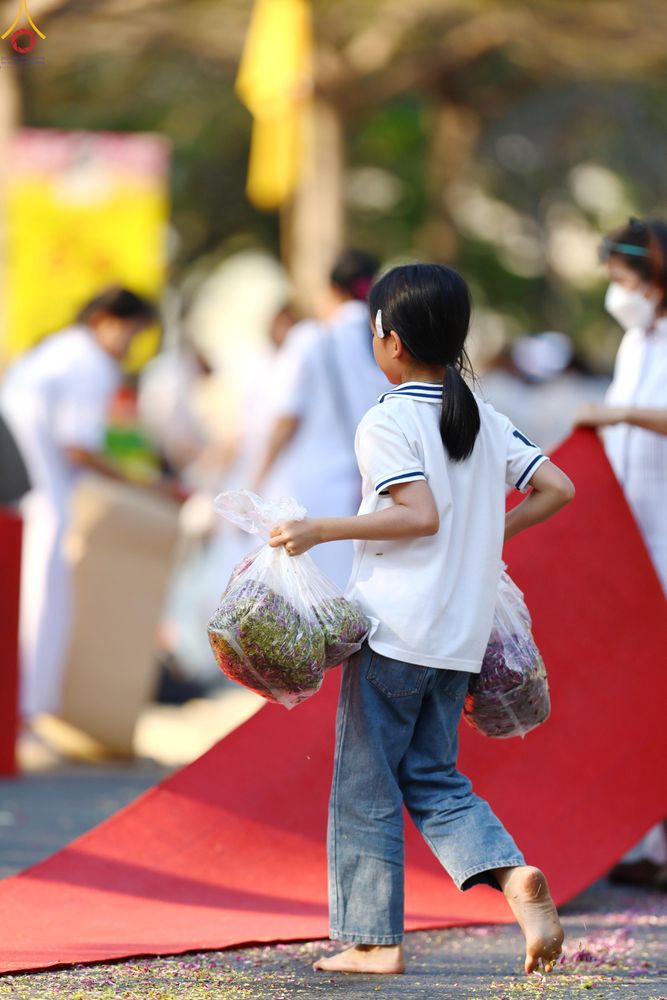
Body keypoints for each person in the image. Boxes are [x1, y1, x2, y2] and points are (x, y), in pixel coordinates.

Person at [269, 263, 574, 975]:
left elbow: (417, 514)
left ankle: (374, 942)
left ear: (393, 341)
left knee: (365, 786)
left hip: (396, 631)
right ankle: (512, 876)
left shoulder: (387, 419)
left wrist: (320, 529)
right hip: (459, 638)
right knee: (434, 777)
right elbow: (557, 487)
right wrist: (489, 536)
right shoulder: (482, 416)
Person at [0, 286, 158, 720]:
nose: (130, 347)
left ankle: (22, 713)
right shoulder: (90, 362)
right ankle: (27, 712)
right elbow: (78, 447)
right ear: (105, 320)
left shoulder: (56, 349)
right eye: (131, 333)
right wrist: (139, 483)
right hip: (39, 499)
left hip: (20, 494)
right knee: (41, 601)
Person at [575, 218, 667, 889]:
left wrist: (620, 416)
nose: (617, 292)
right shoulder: (635, 342)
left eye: (621, 278)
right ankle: (649, 841)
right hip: (631, 533)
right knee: (639, 687)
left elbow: (632, 417)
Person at [252, 250, 390, 588]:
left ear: (331, 290)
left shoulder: (311, 338)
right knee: (344, 589)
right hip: (365, 487)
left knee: (296, 593)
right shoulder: (388, 344)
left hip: (305, 486)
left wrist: (257, 478)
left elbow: (286, 417)